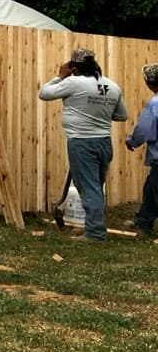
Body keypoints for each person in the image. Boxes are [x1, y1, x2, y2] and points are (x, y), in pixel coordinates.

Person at [38, 47, 128, 241]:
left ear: (74, 67)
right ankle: (92, 227)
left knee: (89, 189)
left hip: (82, 143)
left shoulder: (72, 82)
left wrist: (60, 76)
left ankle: (95, 234)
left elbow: (44, 93)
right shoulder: (112, 86)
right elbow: (122, 115)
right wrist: (99, 111)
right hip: (104, 143)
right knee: (95, 187)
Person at [124, 63, 158, 236]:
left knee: (155, 188)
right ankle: (143, 222)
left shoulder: (155, 103)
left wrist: (132, 141)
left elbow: (144, 130)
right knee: (151, 188)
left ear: (148, 83)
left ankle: (143, 222)